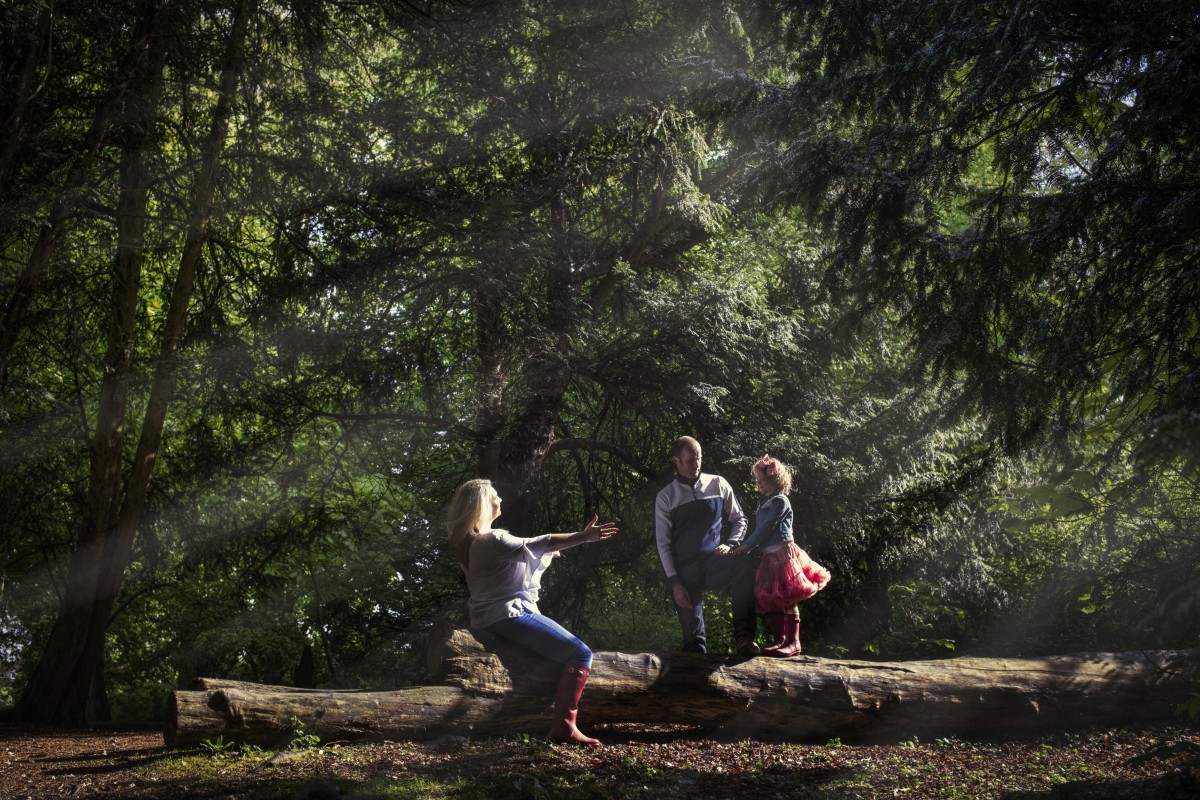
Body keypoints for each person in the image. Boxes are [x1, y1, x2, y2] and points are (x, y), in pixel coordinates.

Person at [447, 478, 618, 746]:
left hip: (489, 619)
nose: (500, 500)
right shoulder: (492, 539)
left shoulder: (469, 545)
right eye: (495, 496)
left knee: (554, 659)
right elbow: (539, 543)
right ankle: (565, 727)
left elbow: (520, 560)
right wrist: (585, 537)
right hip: (509, 615)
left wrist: (548, 552)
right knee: (580, 652)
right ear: (482, 504)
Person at [654, 436, 761, 656]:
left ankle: (744, 638)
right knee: (694, 645)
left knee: (745, 559)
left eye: (699, 459)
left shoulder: (718, 483)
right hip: (686, 574)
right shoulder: (666, 497)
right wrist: (674, 582)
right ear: (677, 460)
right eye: (691, 461)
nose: (697, 465)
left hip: (714, 563)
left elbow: (740, 519)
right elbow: (662, 544)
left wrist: (731, 544)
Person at [730, 454, 830, 657]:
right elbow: (760, 526)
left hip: (783, 556)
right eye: (757, 481)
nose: (758, 485)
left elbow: (768, 527)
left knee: (787, 597)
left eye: (761, 481)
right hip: (769, 557)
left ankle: (794, 642)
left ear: (774, 480)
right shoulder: (764, 501)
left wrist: (748, 545)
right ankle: (780, 640)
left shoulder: (780, 501)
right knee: (774, 598)